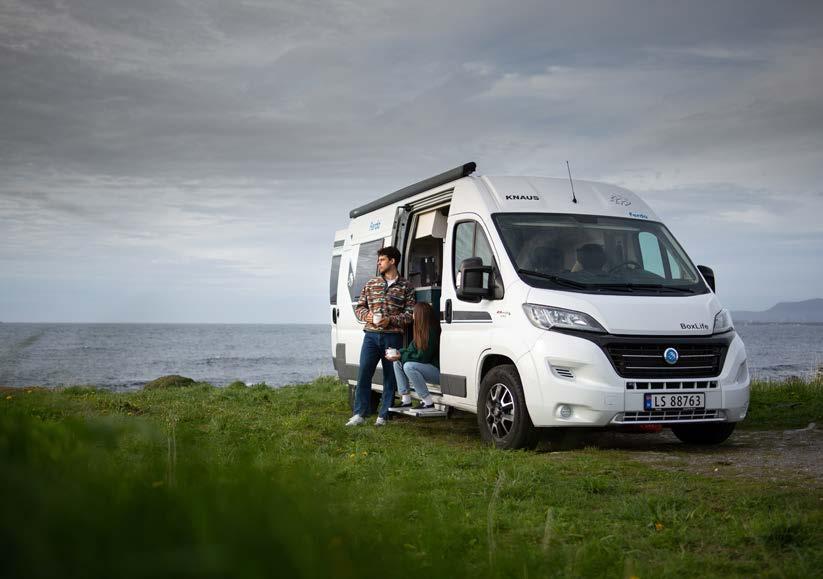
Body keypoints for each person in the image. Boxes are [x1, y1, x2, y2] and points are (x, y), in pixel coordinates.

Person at [345, 246, 415, 427]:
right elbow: (360, 307)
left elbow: (410, 314)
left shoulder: (406, 286)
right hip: (371, 336)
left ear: (392, 261)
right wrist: (367, 316)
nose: (378, 263)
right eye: (379, 260)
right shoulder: (371, 283)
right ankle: (359, 414)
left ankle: (383, 416)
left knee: (390, 378)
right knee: (364, 374)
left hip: (393, 337)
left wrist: (390, 320)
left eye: (382, 260)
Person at [388, 302, 440, 410]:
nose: (413, 316)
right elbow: (410, 350)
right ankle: (406, 399)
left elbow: (423, 357)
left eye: (414, 313)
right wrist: (398, 353)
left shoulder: (431, 332)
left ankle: (427, 402)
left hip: (437, 372)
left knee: (409, 366)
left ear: (421, 314)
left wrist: (402, 356)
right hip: (427, 368)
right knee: (397, 363)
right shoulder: (420, 331)